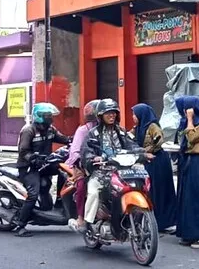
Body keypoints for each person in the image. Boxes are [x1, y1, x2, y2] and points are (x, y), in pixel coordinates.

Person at [82, 99, 145, 234]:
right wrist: (93, 158)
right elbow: (86, 151)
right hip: (101, 172)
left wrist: (142, 152)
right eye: (108, 114)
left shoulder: (121, 131)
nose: (111, 116)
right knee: (93, 192)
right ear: (100, 116)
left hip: (121, 171)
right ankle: (88, 223)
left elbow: (131, 144)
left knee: (139, 185)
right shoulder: (93, 133)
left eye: (114, 113)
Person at [15, 103, 71, 237]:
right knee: (33, 194)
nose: (51, 118)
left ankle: (59, 201)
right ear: (39, 117)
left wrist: (75, 140)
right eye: (48, 116)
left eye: (51, 116)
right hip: (28, 167)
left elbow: (63, 139)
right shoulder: (29, 130)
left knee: (64, 171)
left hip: (44, 165)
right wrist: (33, 158)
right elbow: (23, 151)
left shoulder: (50, 129)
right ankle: (20, 225)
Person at [174, 96, 199, 249]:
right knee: (186, 198)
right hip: (187, 160)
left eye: (186, 109)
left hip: (197, 161)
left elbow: (191, 137)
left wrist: (190, 119)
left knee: (197, 197)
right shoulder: (185, 122)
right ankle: (188, 233)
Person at [132, 103, 177, 234]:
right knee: (150, 190)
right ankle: (153, 220)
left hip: (158, 161)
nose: (133, 117)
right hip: (147, 161)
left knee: (160, 190)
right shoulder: (138, 127)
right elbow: (128, 139)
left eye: (134, 114)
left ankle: (165, 221)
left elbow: (159, 140)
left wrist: (148, 150)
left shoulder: (152, 126)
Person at [67, 99, 100, 232]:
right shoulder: (83, 130)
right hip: (84, 167)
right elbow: (75, 151)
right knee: (81, 187)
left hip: (105, 166)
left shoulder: (111, 130)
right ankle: (81, 218)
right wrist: (83, 160)